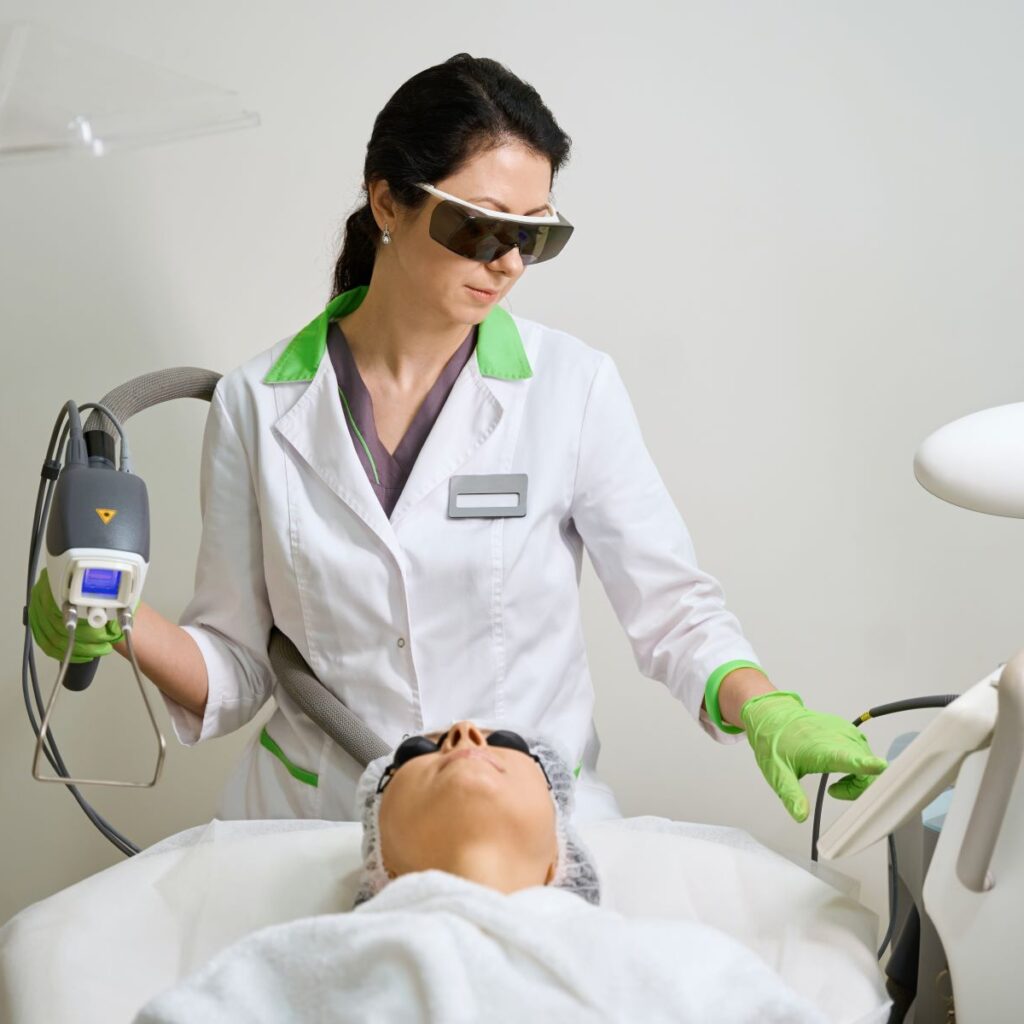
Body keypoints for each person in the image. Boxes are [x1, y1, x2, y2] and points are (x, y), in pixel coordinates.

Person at [29, 53, 886, 823]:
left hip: (524, 828)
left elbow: (673, 613)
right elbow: (237, 666)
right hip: (315, 825)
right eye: (480, 225)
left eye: (535, 232)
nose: (508, 259)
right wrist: (116, 619)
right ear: (388, 202)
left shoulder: (570, 389)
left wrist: (766, 705)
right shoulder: (257, 404)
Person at [132, 721, 830, 1023]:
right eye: (414, 750)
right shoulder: (276, 970)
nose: (465, 732)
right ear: (377, 861)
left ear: (563, 853)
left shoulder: (689, 965)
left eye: (508, 742)